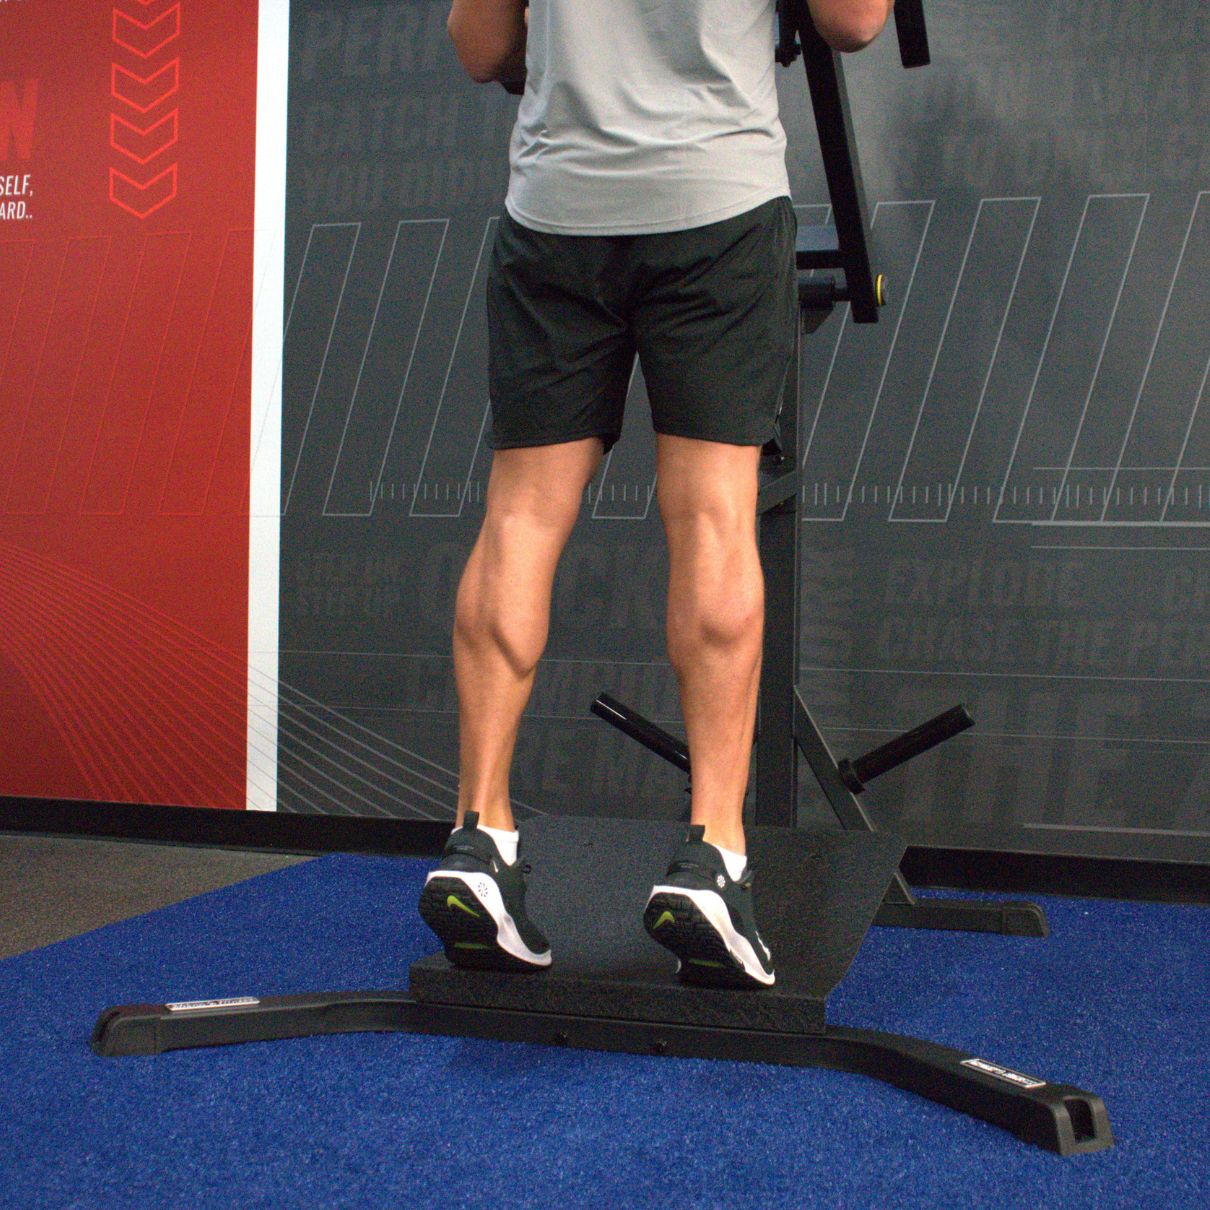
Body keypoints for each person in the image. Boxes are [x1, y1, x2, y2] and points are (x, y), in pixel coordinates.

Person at [419, 0, 894, 987]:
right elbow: (852, 20)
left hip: (556, 206)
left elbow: (481, 46)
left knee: (519, 515)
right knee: (714, 514)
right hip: (712, 199)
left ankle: (478, 840)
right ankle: (712, 860)